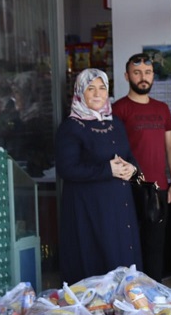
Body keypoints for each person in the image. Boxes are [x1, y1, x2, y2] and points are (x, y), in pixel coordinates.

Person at [55, 68, 142, 285]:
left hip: (119, 206)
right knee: (97, 259)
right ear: (79, 93)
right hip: (89, 208)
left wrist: (132, 169)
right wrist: (107, 170)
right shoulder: (71, 127)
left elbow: (129, 156)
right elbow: (67, 169)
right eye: (90, 88)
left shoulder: (115, 124)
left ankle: (124, 307)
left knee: (122, 256)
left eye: (102, 88)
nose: (97, 94)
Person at [112, 53, 171, 282]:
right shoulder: (118, 109)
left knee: (155, 246)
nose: (143, 77)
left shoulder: (162, 108)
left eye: (147, 73)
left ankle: (153, 291)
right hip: (127, 188)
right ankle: (129, 291)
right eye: (137, 72)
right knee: (128, 244)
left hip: (158, 187)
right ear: (126, 76)